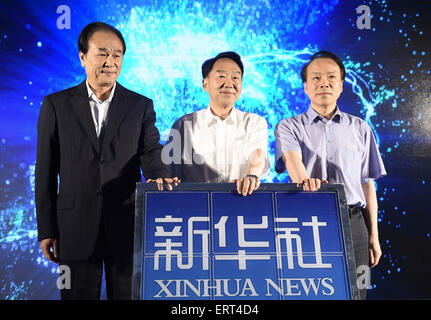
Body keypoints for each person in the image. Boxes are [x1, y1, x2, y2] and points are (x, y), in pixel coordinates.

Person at [35, 22, 178, 300]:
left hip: (126, 224)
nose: (110, 62)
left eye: (117, 55)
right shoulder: (56, 105)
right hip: (73, 226)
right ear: (83, 57)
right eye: (102, 53)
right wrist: (47, 228)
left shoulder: (140, 105)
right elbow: (45, 171)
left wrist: (158, 174)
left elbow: (149, 150)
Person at [274, 51, 386, 299]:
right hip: (306, 222)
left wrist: (372, 236)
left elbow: (367, 185)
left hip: (354, 222)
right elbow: (292, 161)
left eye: (331, 77)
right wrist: (305, 181)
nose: (323, 82)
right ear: (305, 86)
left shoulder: (360, 128)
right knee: (309, 292)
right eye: (315, 78)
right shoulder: (289, 126)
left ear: (341, 85)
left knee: (355, 292)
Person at [164, 51, 269, 195]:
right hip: (195, 210)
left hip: (242, 207)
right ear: (205, 83)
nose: (229, 83)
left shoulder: (254, 122)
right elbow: (170, 176)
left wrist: (251, 176)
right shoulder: (184, 125)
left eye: (235, 77)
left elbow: (257, 155)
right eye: (221, 76)